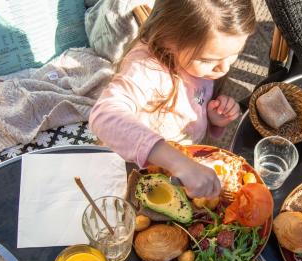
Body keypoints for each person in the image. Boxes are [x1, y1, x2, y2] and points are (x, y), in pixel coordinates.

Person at [90, 0, 255, 199]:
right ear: (168, 40)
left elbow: (193, 101)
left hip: (185, 166)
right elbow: (104, 116)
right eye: (207, 60)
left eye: (234, 55)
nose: (224, 69)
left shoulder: (202, 61)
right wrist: (179, 163)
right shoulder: (146, 69)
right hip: (138, 174)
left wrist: (211, 117)